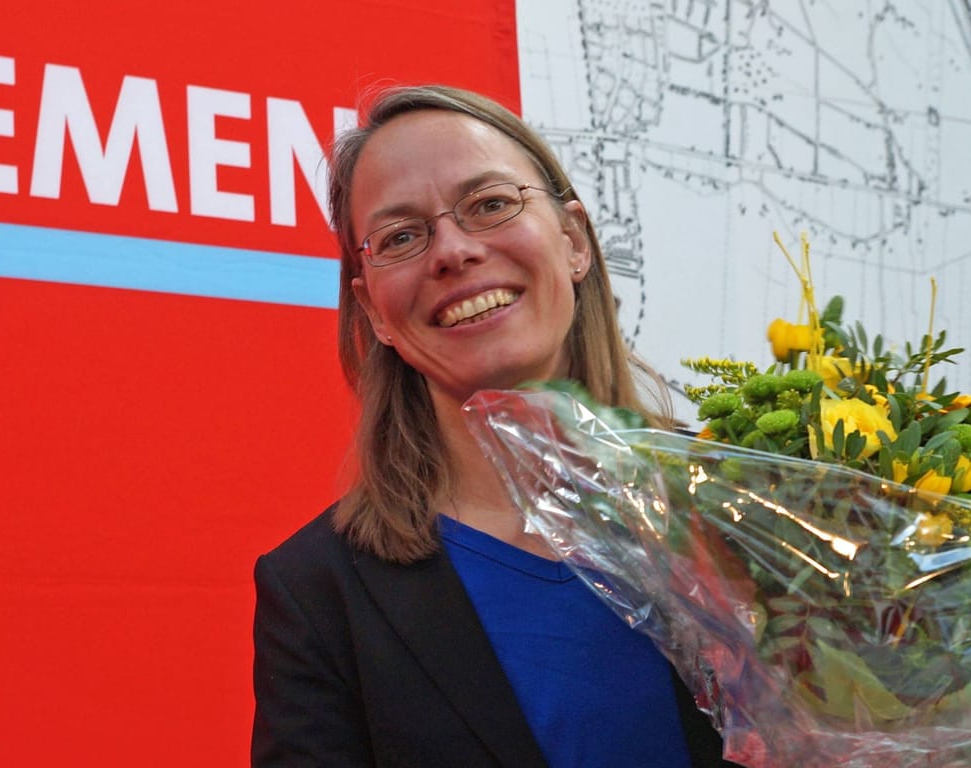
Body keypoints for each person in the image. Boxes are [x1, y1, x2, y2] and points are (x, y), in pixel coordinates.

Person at [251, 84, 742, 767]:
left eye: (490, 205)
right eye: (401, 237)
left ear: (574, 241)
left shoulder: (745, 501)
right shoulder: (318, 591)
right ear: (376, 313)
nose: (451, 251)